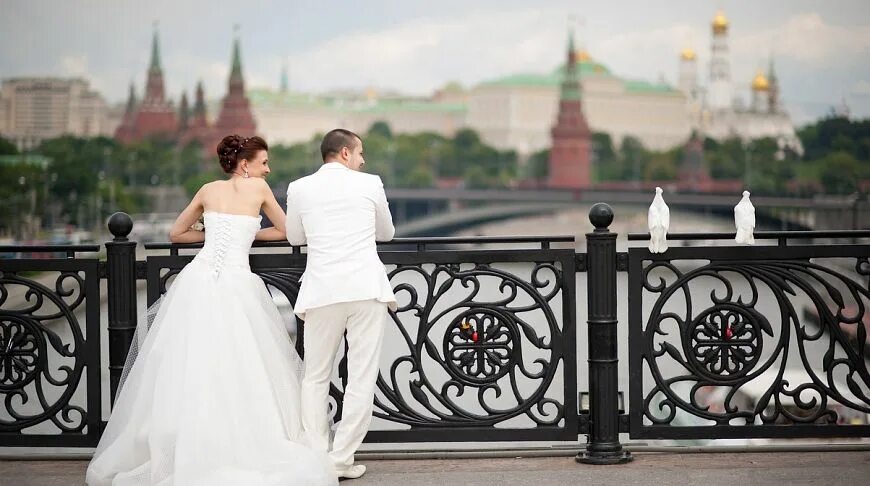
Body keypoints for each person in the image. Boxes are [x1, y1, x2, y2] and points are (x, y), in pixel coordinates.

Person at [86, 135, 337, 486]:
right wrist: (249, 234)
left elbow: (176, 233)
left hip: (198, 281)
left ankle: (189, 442)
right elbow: (287, 231)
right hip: (237, 285)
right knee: (241, 363)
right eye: (264, 162)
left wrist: (210, 234)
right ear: (245, 165)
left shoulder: (207, 190)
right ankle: (235, 440)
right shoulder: (260, 189)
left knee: (191, 364)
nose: (268, 168)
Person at [285, 129, 396, 480]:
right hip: (366, 289)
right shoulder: (370, 183)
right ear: (345, 153)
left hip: (322, 291)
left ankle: (318, 457)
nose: (363, 161)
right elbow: (387, 233)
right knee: (360, 378)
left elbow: (294, 238)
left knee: (315, 377)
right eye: (360, 153)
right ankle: (342, 459)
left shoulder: (299, 188)